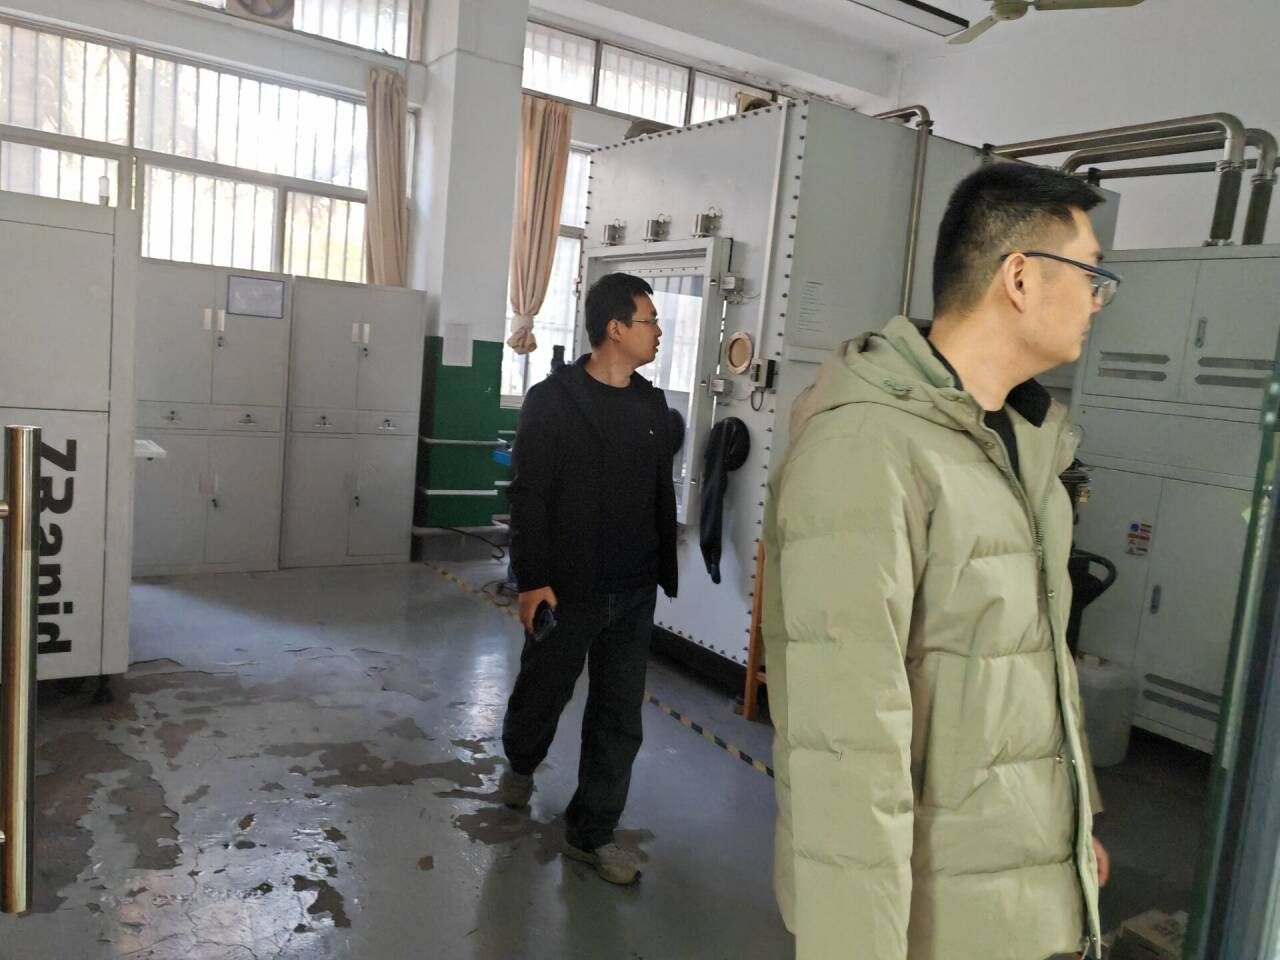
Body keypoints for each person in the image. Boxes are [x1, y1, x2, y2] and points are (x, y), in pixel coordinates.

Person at [762, 162, 1120, 960]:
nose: (1099, 300)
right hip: (938, 921)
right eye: (1091, 275)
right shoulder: (868, 449)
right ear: (1020, 278)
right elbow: (846, 754)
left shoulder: (1022, 445)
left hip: (1011, 895)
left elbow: (1027, 669)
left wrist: (1067, 830)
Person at [498, 272, 678, 886]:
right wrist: (532, 580)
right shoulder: (553, 401)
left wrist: (661, 568)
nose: (658, 332)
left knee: (619, 717)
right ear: (616, 329)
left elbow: (655, 495)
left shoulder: (651, 407)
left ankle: (592, 832)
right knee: (544, 692)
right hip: (567, 588)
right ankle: (521, 761)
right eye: (650, 321)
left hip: (633, 588)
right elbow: (529, 496)